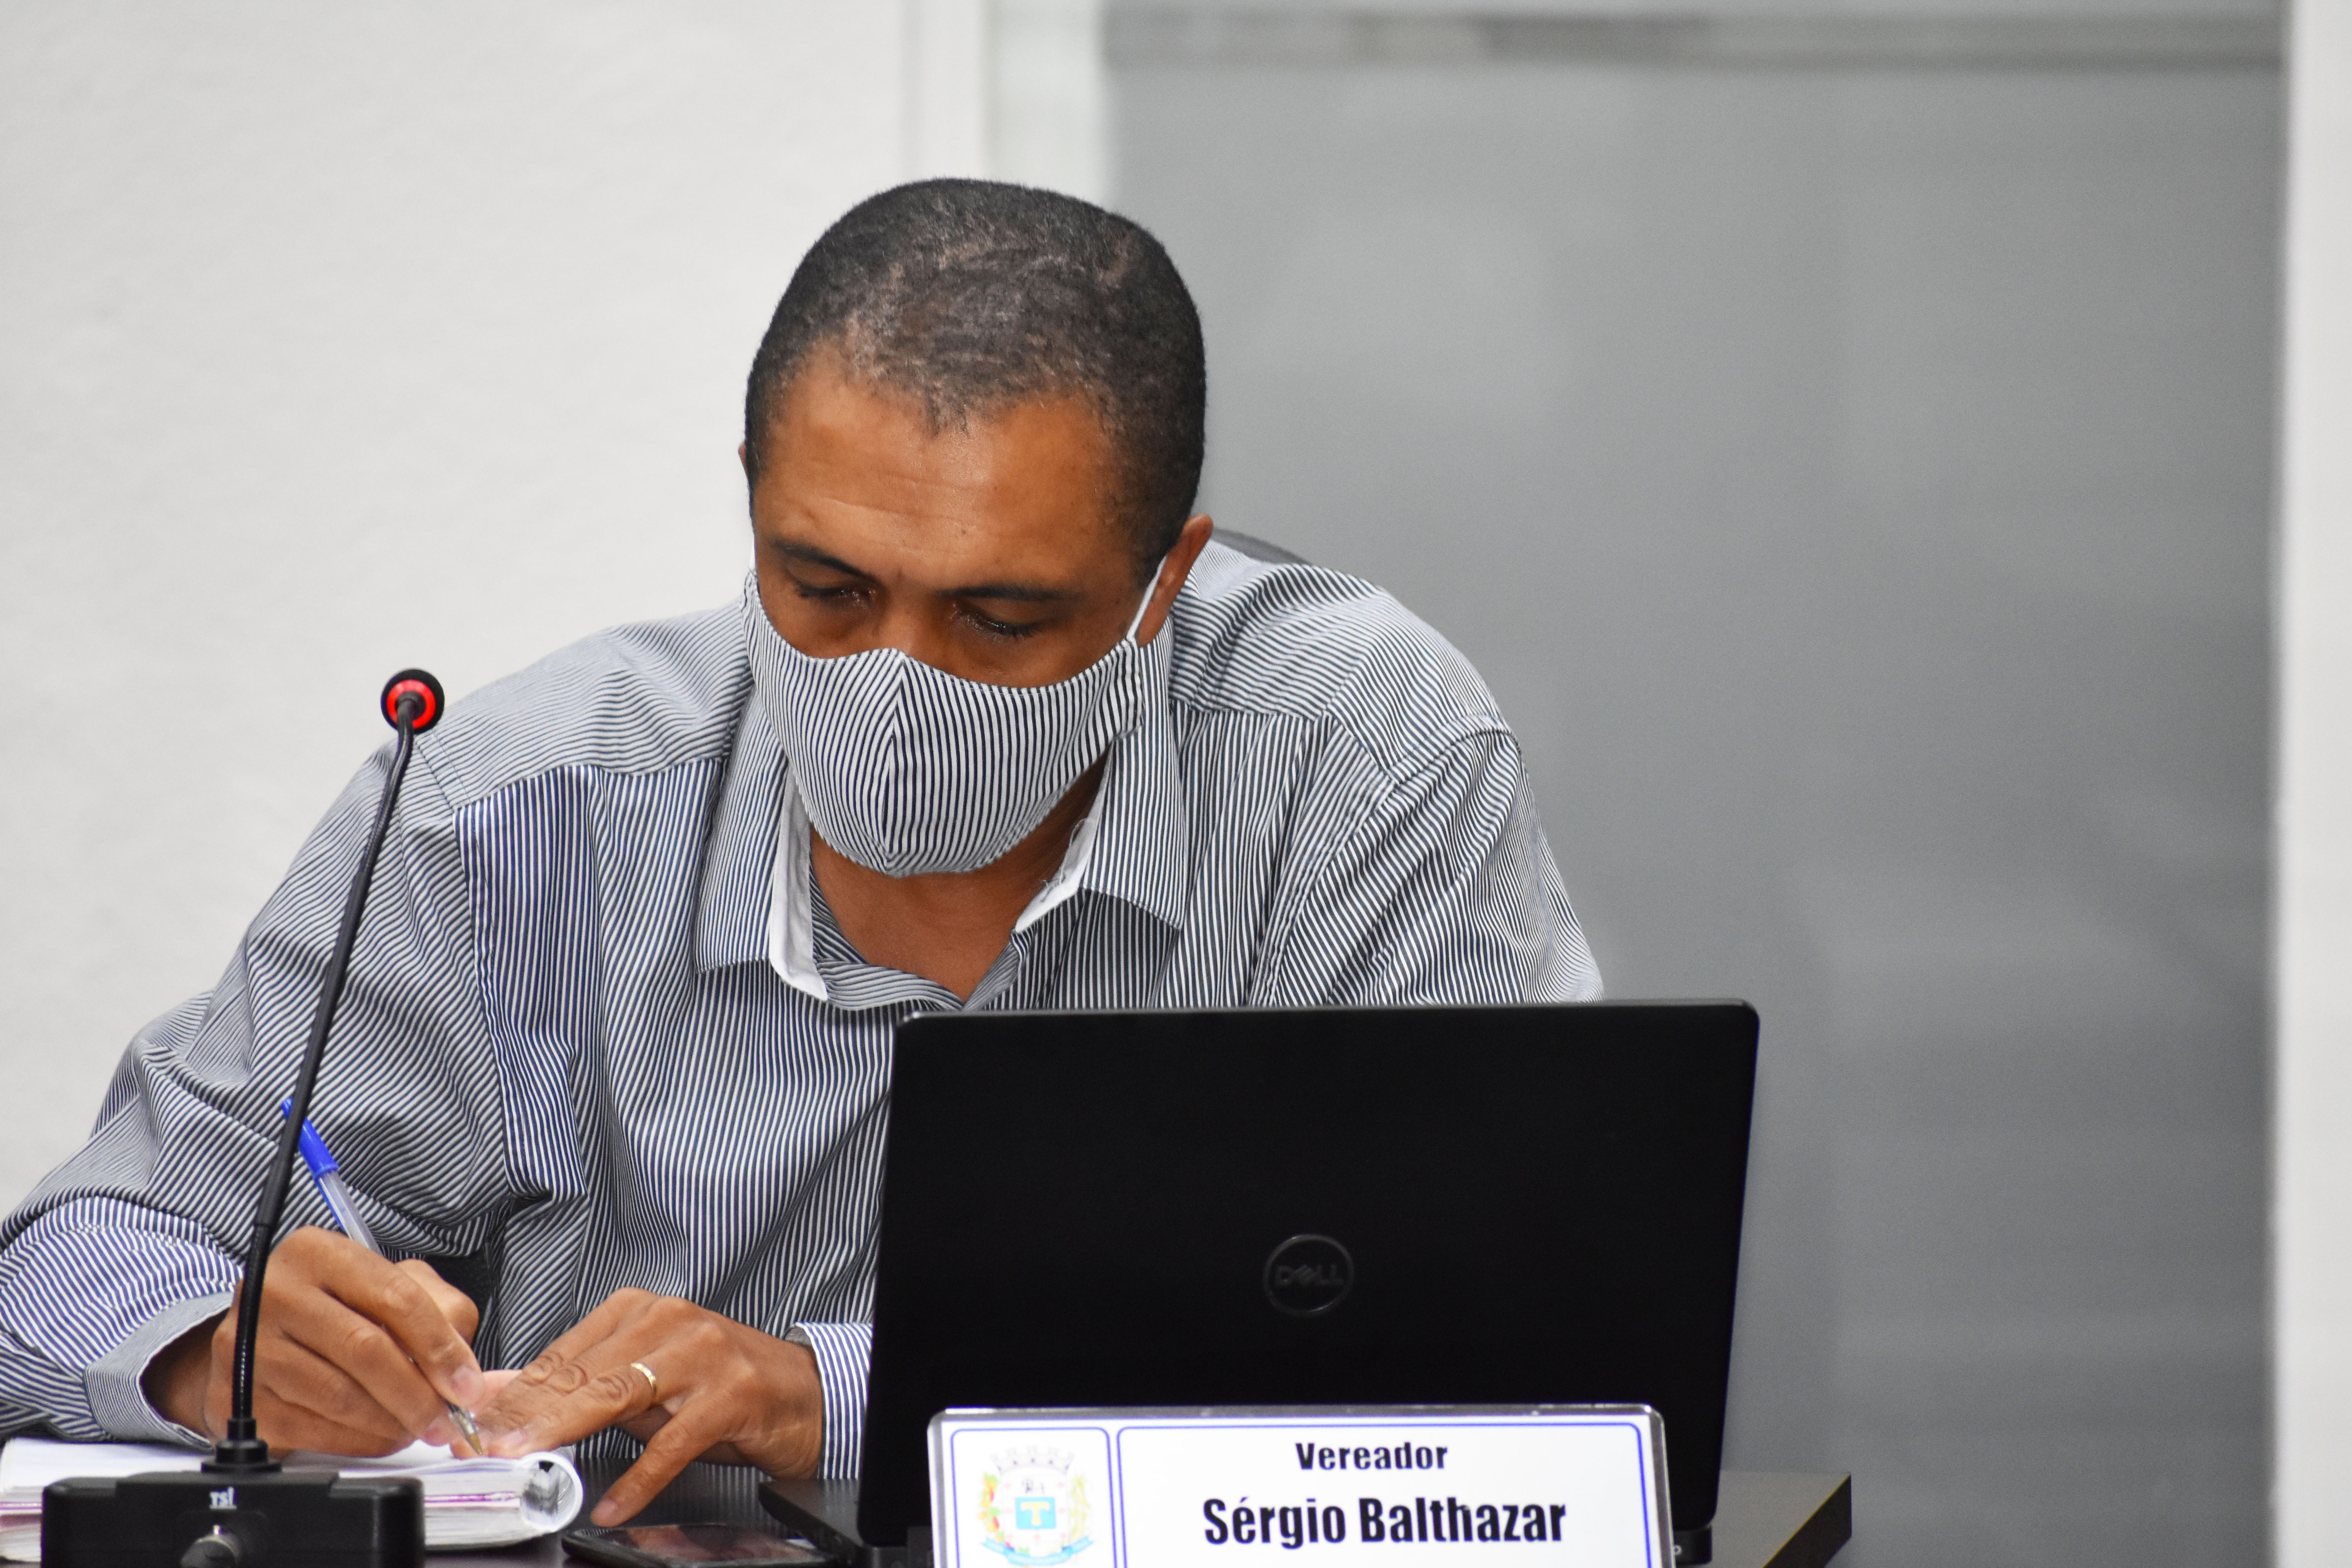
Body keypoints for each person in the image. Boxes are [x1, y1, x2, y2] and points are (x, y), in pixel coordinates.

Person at [0, 180, 1600, 1524]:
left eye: (1000, 616)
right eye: (825, 587)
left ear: (1164, 582)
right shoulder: (513, 810)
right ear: (754, 504)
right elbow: (73, 1256)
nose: (896, 683)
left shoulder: (1359, 764)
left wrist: (834, 1390)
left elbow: (1507, 1321)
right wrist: (213, 1350)